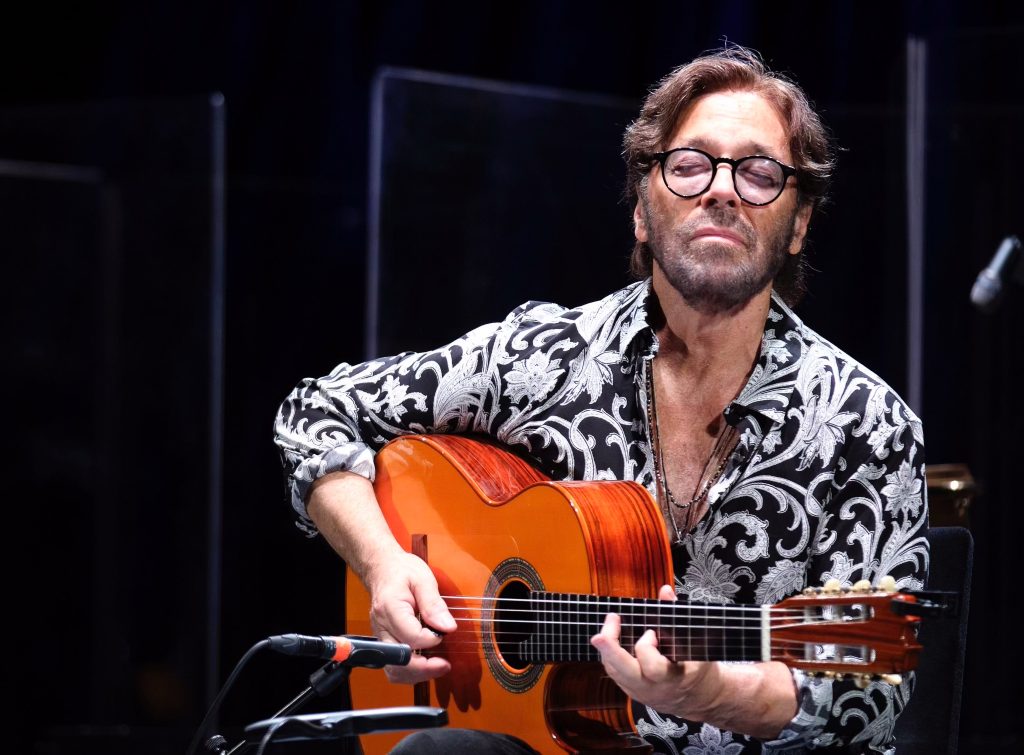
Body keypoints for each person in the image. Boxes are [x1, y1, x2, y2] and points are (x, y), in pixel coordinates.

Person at [274, 45, 928, 754]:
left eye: (759, 173)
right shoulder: (543, 359)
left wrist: (711, 692)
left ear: (798, 224)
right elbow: (316, 412)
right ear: (642, 211)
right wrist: (383, 564)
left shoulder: (867, 422)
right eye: (690, 164)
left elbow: (868, 697)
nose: (722, 189)